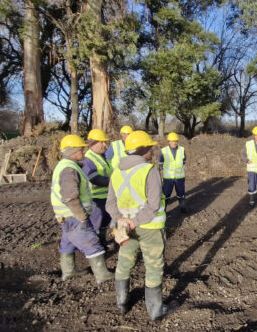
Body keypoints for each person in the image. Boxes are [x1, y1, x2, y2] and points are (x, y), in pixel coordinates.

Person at [106, 130, 171, 320]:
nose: (152, 150)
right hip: (149, 228)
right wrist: (135, 222)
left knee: (124, 262)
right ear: (145, 150)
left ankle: (121, 304)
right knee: (153, 267)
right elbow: (153, 205)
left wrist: (122, 221)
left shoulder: (116, 172)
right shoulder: (149, 170)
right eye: (150, 147)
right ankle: (156, 311)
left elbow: (110, 203)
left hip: (124, 228)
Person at [50, 134, 113, 284]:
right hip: (74, 215)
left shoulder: (66, 166)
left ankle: (69, 272)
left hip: (65, 215)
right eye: (81, 149)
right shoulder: (69, 169)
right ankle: (102, 274)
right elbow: (70, 196)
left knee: (68, 242)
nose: (84, 152)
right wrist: (82, 216)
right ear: (73, 150)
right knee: (91, 242)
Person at [82, 129, 113, 246]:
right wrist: (115, 182)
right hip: (95, 199)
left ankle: (102, 243)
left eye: (105, 142)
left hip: (106, 196)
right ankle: (94, 248)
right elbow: (95, 179)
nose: (105, 145)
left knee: (105, 223)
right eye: (102, 142)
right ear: (93, 143)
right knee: (96, 224)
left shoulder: (102, 156)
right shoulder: (88, 159)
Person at [159, 132, 187, 213]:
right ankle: (163, 210)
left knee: (181, 194)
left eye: (175, 141)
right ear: (169, 142)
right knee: (166, 195)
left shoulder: (182, 149)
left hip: (179, 177)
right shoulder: (163, 151)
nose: (174, 143)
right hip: (168, 178)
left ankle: (183, 208)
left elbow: (184, 160)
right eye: (172, 141)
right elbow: (160, 163)